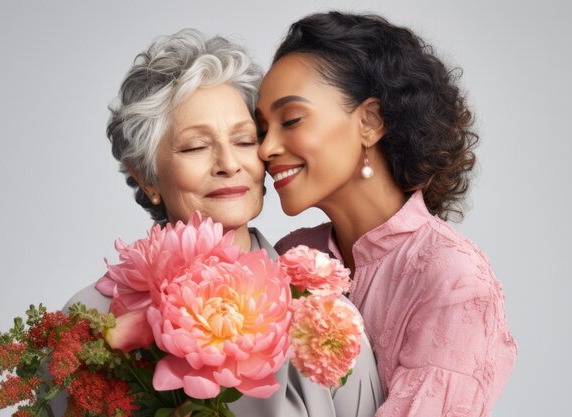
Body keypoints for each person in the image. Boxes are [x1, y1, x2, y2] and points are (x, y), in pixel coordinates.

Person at [52, 28, 382, 417]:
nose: (229, 164)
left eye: (244, 141)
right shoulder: (89, 318)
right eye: (195, 146)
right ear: (146, 177)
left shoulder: (326, 320)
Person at [257, 11, 517, 417]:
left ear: (370, 121)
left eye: (290, 119)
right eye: (261, 129)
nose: (265, 148)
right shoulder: (290, 256)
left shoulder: (453, 279)